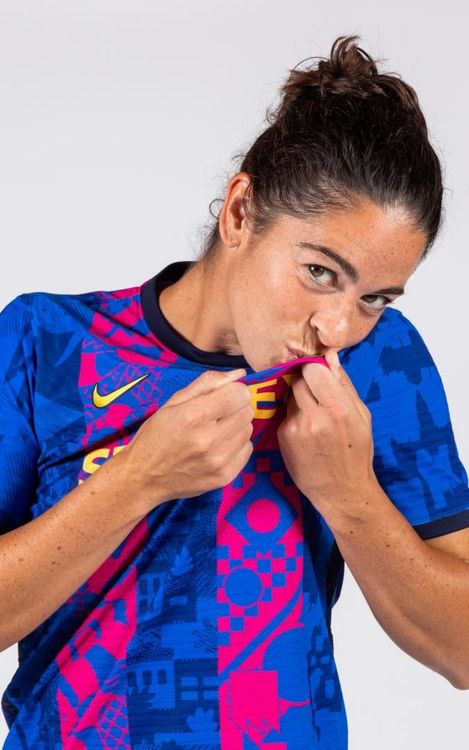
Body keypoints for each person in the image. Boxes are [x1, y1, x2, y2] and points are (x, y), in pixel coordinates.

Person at [0, 33, 468, 750]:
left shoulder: (380, 361)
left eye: (374, 297)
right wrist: (139, 479)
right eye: (319, 272)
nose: (337, 328)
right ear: (241, 212)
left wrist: (349, 494)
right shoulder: (47, 341)